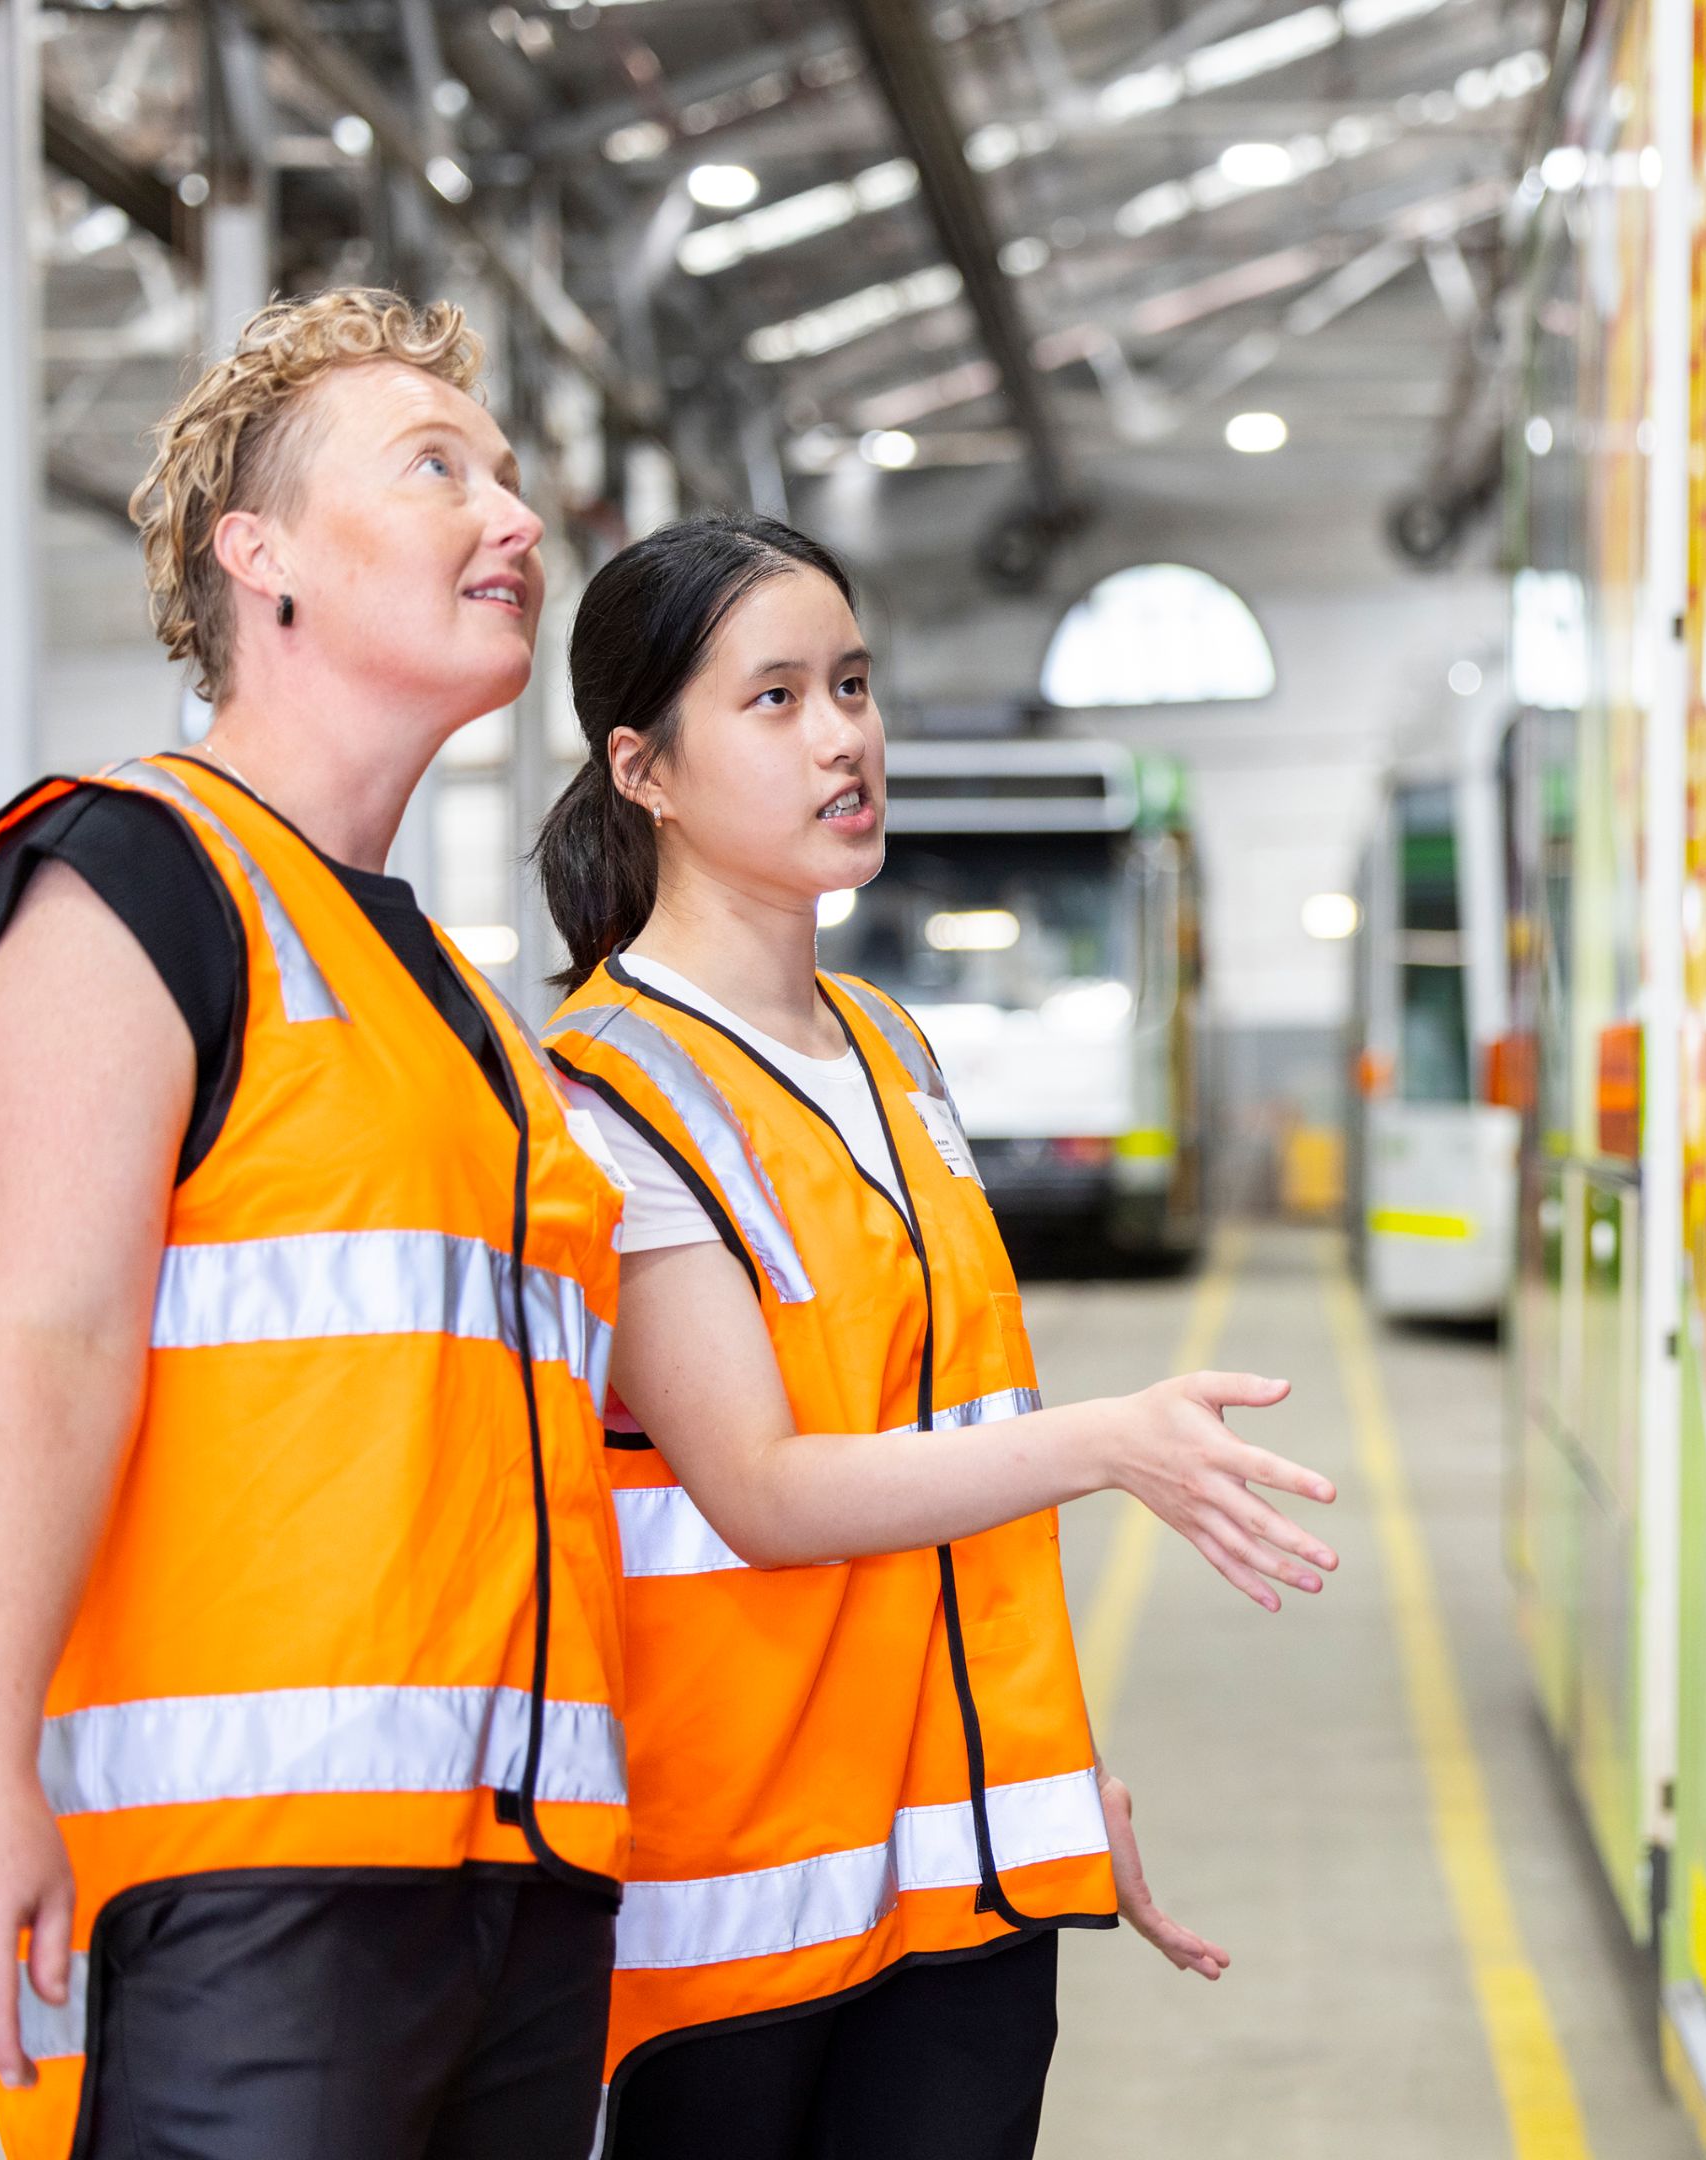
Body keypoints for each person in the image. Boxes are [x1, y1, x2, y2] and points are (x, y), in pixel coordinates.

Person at [0, 289, 631, 2160]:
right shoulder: (124, 882)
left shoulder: (447, 997)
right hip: (244, 1894)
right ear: (263, 557)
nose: (515, 518)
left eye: (514, 478)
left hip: (508, 1871)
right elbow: (42, 1350)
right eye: (438, 468)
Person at [531, 512, 1338, 2158]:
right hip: (737, 1907)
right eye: (772, 700)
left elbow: (955, 1436)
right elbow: (759, 1488)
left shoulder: (893, 1049)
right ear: (646, 769)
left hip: (966, 1888)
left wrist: (1050, 1774)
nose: (843, 738)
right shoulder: (611, 1090)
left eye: (850, 683)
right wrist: (1113, 1446)